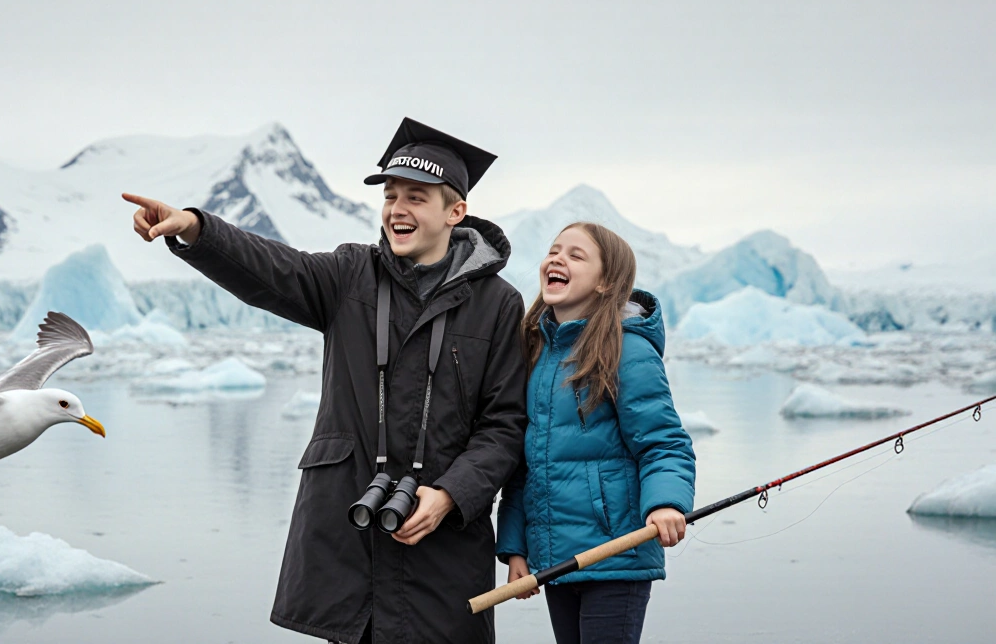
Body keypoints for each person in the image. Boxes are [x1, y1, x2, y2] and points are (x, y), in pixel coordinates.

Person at [123, 118, 528, 644]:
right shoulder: (349, 275)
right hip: (349, 543)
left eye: (416, 197)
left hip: (443, 548)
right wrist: (197, 229)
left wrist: (450, 495)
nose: (397, 209)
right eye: (391, 195)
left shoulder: (498, 305)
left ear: (456, 212)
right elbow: (271, 268)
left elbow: (504, 425)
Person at [495, 222, 696, 644]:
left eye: (575, 255)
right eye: (553, 250)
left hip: (617, 551)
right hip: (558, 557)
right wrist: (516, 547)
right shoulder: (536, 352)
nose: (557, 259)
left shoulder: (627, 349)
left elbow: (664, 443)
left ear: (606, 282)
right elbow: (525, 463)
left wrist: (665, 503)